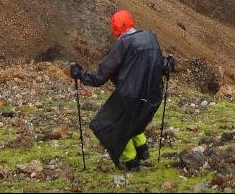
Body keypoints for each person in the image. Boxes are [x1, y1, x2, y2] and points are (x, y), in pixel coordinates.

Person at [69, 10, 167, 170]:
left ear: (115, 28)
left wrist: (80, 74)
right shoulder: (150, 37)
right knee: (133, 121)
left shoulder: (123, 44)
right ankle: (143, 151)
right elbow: (162, 65)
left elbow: (100, 77)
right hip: (152, 96)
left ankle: (132, 162)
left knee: (113, 126)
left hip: (130, 96)